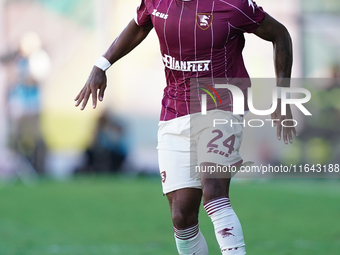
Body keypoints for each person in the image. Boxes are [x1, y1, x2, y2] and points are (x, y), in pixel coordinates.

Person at [75, 0, 297, 254]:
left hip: (221, 103)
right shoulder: (156, 1)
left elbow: (280, 35)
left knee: (214, 192)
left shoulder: (232, 4)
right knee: (182, 216)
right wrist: (102, 65)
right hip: (175, 109)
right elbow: (138, 26)